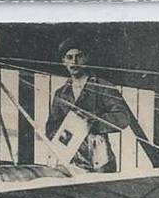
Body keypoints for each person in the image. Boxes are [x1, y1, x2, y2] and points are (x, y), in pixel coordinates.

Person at [45, 37, 132, 173]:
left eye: (79, 56)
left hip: (98, 158)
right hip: (70, 159)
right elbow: (51, 127)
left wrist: (92, 122)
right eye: (69, 57)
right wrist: (65, 137)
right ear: (64, 62)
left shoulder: (103, 87)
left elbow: (122, 118)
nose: (74, 62)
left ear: (87, 58)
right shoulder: (61, 93)